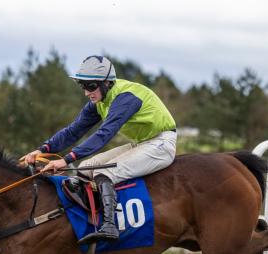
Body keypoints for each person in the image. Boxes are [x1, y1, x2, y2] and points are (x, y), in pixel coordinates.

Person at [23, 55, 177, 244]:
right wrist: (42, 149)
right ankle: (88, 219)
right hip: (143, 143)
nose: (87, 92)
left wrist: (66, 160)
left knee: (104, 172)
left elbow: (104, 134)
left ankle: (110, 226)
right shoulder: (100, 101)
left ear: (106, 83)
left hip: (161, 144)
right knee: (86, 167)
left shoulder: (125, 98)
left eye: (91, 86)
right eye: (83, 86)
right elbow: (74, 130)